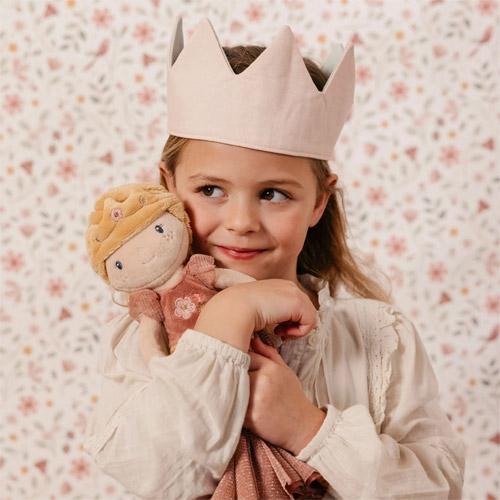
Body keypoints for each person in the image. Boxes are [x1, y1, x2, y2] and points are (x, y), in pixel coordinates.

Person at [83, 15, 466, 499]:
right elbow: (159, 476)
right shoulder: (143, 335)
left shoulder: (379, 339)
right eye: (211, 189)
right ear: (169, 187)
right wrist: (229, 315)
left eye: (273, 194)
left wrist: (309, 429)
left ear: (319, 201)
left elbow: (439, 489)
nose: (242, 221)